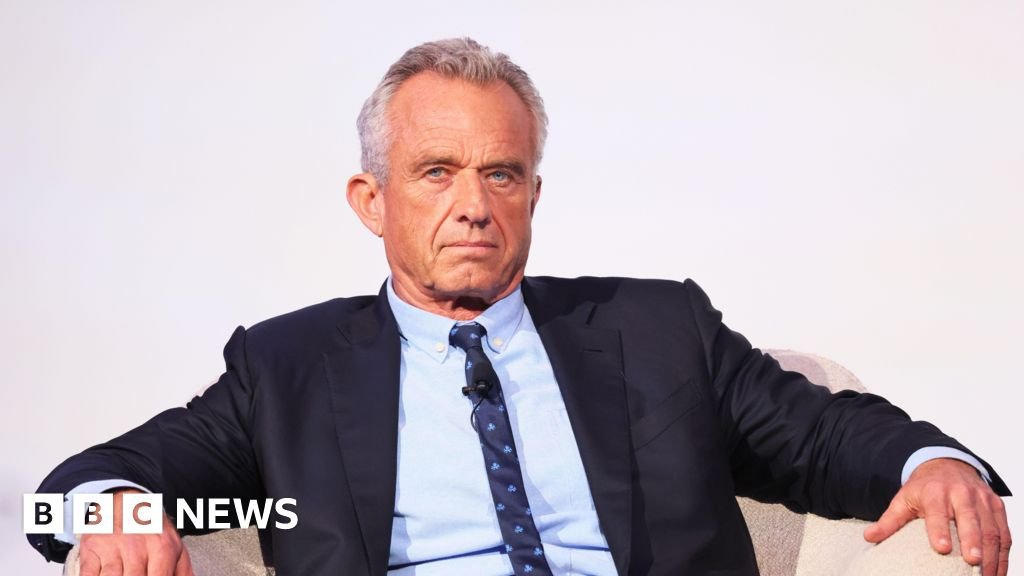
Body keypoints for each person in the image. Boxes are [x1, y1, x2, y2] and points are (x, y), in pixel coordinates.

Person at [29, 37, 1011, 576]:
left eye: (501, 173)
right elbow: (70, 491)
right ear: (371, 201)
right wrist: (113, 505)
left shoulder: (656, 332)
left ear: (533, 194)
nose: (473, 204)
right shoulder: (287, 369)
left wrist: (934, 464)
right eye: (436, 172)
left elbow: (824, 437)